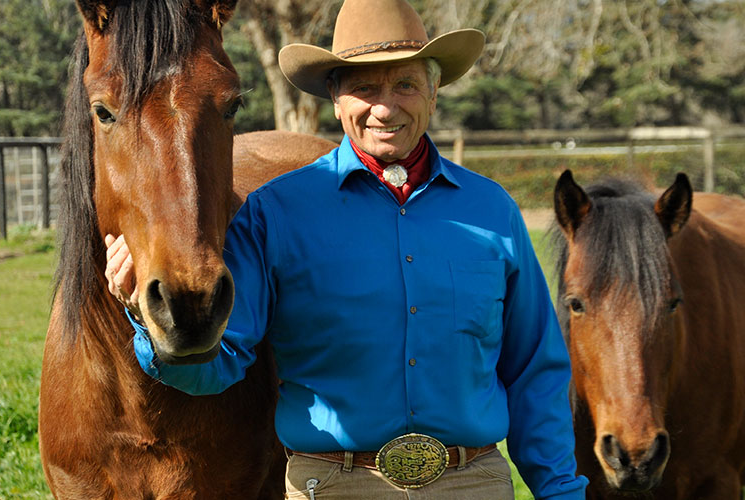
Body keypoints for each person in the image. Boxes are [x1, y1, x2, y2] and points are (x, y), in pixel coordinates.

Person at [104, 0, 587, 498]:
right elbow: (218, 365)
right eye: (364, 87)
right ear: (335, 96)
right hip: (334, 486)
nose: (385, 107)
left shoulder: (494, 211)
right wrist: (145, 320)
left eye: (405, 85)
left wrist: (560, 489)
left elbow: (535, 371)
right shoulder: (274, 216)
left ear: (433, 92)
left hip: (473, 483)